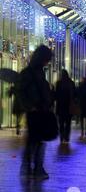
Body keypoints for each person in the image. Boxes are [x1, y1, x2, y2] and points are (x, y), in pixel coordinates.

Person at [17, 45, 53, 179]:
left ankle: (32, 167)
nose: (48, 62)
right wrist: (28, 106)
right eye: (47, 59)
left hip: (40, 109)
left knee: (36, 140)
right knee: (35, 139)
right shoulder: (29, 72)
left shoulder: (39, 72)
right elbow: (20, 90)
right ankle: (34, 168)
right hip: (34, 111)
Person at [55, 69, 76, 144]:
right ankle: (66, 137)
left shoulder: (58, 83)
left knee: (61, 123)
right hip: (68, 106)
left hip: (60, 106)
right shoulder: (71, 83)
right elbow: (74, 95)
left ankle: (61, 136)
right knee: (68, 123)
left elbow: (56, 95)